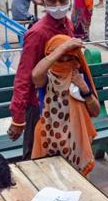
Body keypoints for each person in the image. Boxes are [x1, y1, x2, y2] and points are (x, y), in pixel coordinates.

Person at [7, 0, 77, 159]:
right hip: (39, 105)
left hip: (62, 102)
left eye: (62, 0)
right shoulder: (37, 33)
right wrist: (18, 118)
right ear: (43, 0)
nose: (58, 5)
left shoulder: (67, 25)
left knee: (62, 153)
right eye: (52, 0)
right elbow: (23, 77)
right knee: (35, 158)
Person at [30, 34, 100, 174]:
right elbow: (35, 75)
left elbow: (96, 111)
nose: (64, 62)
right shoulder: (46, 76)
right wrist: (63, 48)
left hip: (76, 138)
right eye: (60, 58)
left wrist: (84, 89)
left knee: (76, 183)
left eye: (70, 58)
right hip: (48, 137)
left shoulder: (79, 76)